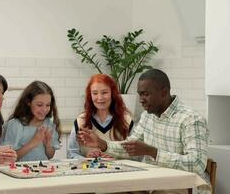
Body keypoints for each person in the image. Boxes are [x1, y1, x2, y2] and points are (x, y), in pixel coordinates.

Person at [78, 69, 210, 194]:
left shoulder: (191, 119)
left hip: (179, 185)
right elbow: (129, 146)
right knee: (110, 190)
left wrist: (152, 152)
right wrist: (102, 144)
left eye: (146, 94)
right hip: (148, 182)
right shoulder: (148, 115)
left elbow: (197, 164)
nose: (141, 99)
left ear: (164, 93)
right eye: (140, 94)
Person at [68, 74, 133, 159]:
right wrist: (86, 158)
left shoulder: (127, 121)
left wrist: (114, 156)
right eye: (95, 93)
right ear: (90, 96)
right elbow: (71, 153)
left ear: (112, 94)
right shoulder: (80, 121)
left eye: (104, 92)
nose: (100, 97)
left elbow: (136, 155)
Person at [2, 80, 61, 161]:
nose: (44, 109)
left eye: (48, 105)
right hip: (20, 172)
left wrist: (48, 145)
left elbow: (50, 156)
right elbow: (9, 159)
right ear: (28, 102)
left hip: (42, 170)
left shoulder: (49, 124)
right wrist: (32, 143)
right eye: (39, 105)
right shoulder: (15, 124)